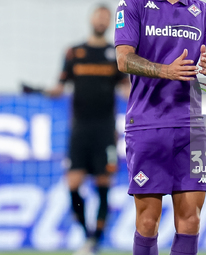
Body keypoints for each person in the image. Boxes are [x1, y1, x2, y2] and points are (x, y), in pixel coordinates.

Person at [115, 0, 206, 254]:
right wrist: (166, 70)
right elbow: (123, 60)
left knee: (191, 219)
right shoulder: (133, 5)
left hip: (191, 128)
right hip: (147, 125)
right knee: (148, 220)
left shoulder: (204, 11)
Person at [46, 5, 129, 255]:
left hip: (105, 130)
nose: (102, 21)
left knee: (104, 182)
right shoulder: (74, 53)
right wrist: (46, 91)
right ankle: (87, 236)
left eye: (107, 18)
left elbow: (126, 89)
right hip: (79, 130)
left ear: (111, 24)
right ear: (91, 19)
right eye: (99, 16)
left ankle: (95, 240)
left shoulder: (115, 55)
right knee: (73, 183)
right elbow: (60, 86)